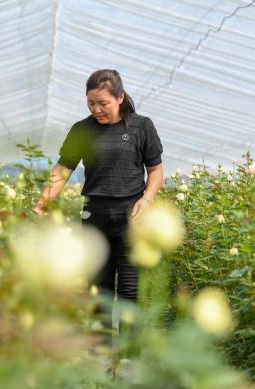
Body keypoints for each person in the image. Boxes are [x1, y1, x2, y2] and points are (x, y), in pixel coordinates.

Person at [32, 68, 164, 327]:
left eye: (102, 103)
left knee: (130, 290)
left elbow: (156, 170)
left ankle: (127, 360)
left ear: (120, 98)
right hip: (95, 217)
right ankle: (101, 356)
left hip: (132, 217)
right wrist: (42, 203)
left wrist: (147, 198)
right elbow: (63, 169)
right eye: (91, 103)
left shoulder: (141, 126)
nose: (96, 109)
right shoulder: (82, 130)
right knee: (98, 290)